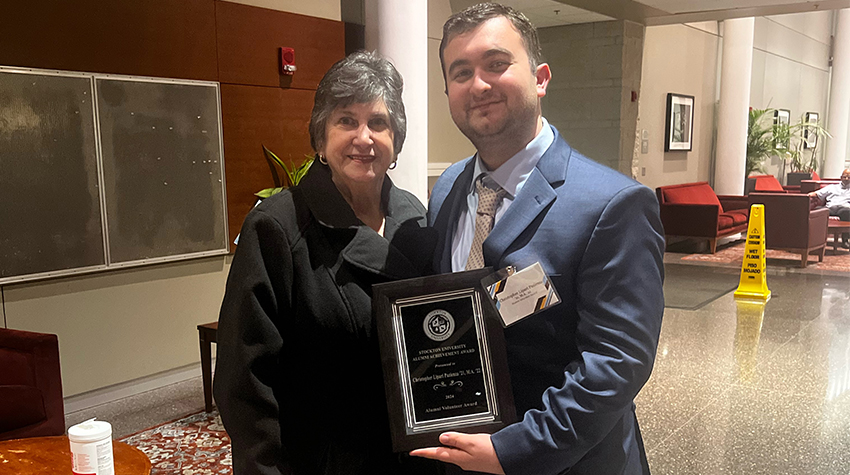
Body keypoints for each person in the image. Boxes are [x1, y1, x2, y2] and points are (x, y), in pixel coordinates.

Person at [410, 4, 665, 475]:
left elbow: (616, 362)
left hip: (569, 462)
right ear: (447, 91)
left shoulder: (614, 204)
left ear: (541, 77)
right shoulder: (446, 190)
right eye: (460, 72)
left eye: (496, 64)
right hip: (459, 451)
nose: (479, 85)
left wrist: (515, 451)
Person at [214, 51, 441, 475]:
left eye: (378, 122)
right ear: (320, 138)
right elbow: (244, 383)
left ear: (396, 141)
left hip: (413, 459)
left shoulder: (415, 218)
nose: (364, 137)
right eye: (346, 121)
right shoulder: (277, 227)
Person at [809, 169, 850, 248]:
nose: (847, 179)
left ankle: (845, 240)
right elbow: (816, 193)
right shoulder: (832, 187)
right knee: (817, 212)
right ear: (841, 177)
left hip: (845, 208)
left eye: (849, 177)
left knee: (846, 213)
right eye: (845, 177)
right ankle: (815, 240)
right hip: (830, 207)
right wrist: (807, 196)